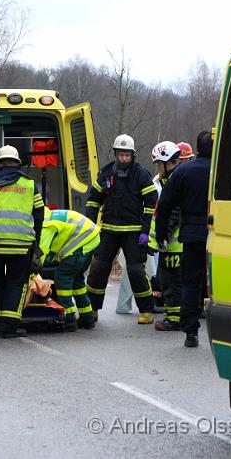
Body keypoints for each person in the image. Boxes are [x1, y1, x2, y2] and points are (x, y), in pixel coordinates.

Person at [0, 145, 45, 338]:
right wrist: (35, 243)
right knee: (16, 283)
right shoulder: (29, 185)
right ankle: (9, 327)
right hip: (20, 246)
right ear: (17, 163)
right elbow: (39, 215)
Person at [85, 134, 158, 324]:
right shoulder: (106, 173)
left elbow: (151, 203)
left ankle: (147, 311)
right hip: (108, 230)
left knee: (135, 270)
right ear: (115, 154)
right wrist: (91, 227)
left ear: (132, 155)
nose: (124, 158)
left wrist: (144, 231)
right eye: (121, 155)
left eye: (127, 155)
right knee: (98, 268)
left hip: (133, 232)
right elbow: (93, 200)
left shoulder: (141, 174)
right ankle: (91, 310)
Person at [155, 131, 212, 348]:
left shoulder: (184, 171)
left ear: (196, 148)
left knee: (191, 283)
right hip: (221, 234)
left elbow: (165, 206)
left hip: (193, 234)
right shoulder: (222, 169)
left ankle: (191, 332)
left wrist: (161, 235)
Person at [39, 209, 100, 331]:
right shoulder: (49, 216)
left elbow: (42, 253)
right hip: (90, 239)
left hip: (83, 241)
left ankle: (69, 318)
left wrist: (32, 272)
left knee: (62, 276)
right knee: (77, 280)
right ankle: (87, 318)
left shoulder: (46, 225)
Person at [148, 141, 183, 332]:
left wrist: (163, 237)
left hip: (175, 246)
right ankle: (172, 316)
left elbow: (174, 213)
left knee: (172, 283)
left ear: (167, 163)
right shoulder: (168, 181)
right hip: (169, 244)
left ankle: (175, 319)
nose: (157, 168)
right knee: (166, 281)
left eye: (158, 164)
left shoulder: (174, 182)